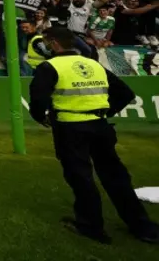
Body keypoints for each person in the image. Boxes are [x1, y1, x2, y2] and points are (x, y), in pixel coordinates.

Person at [29, 27, 158, 245]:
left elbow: (38, 100)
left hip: (70, 128)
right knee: (116, 177)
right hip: (100, 126)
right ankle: (142, 226)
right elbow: (125, 94)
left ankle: (91, 226)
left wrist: (42, 118)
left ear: (53, 44)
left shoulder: (49, 66)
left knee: (81, 178)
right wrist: (104, 112)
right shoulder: (94, 65)